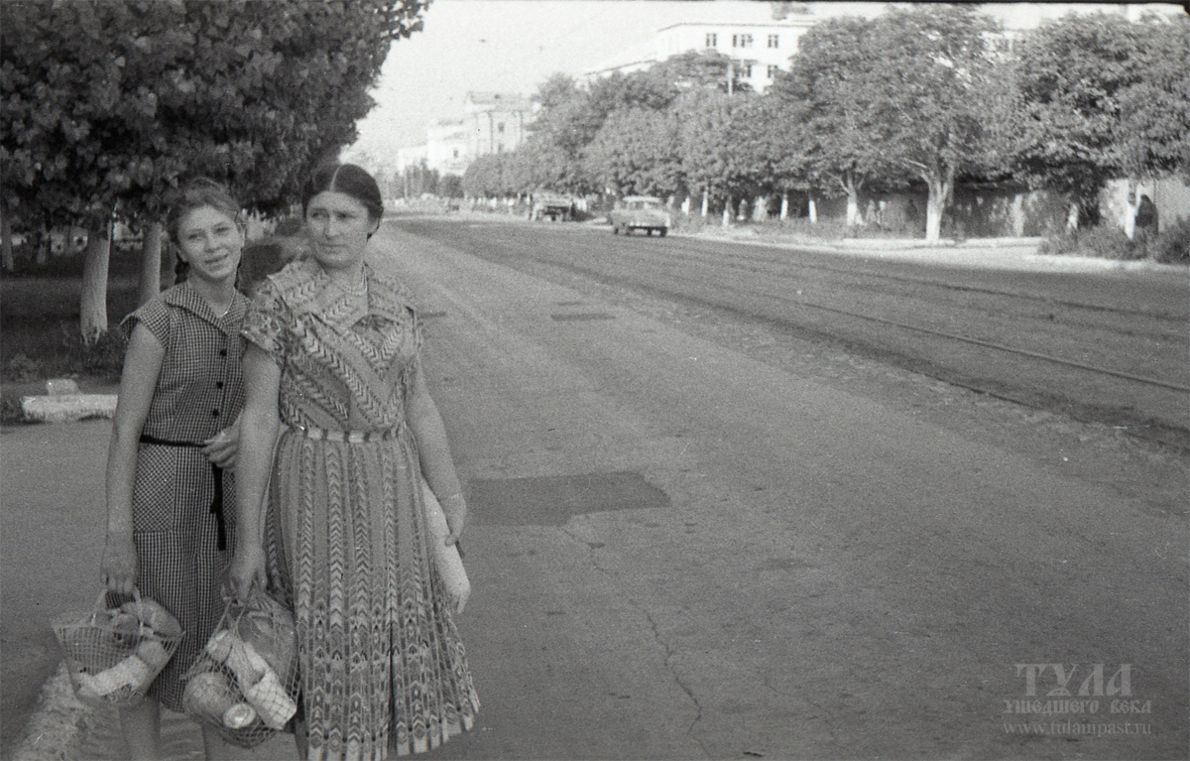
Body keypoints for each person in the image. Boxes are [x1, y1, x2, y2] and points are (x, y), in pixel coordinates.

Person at [228, 162, 479, 759]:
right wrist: (247, 541)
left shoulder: (395, 298)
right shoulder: (278, 299)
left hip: (390, 488)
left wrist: (448, 497)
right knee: (321, 649)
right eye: (318, 214)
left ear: (373, 223)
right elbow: (259, 421)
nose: (330, 229)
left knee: (385, 644)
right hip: (310, 491)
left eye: (346, 216)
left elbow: (418, 405)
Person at [101, 178, 249, 760]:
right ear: (179, 250)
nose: (212, 245)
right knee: (145, 644)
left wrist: (246, 432)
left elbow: (277, 406)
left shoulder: (260, 318)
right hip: (158, 499)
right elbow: (123, 430)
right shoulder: (157, 321)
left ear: (243, 232)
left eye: (222, 230)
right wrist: (118, 536)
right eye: (196, 236)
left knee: (221, 651)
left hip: (230, 506)